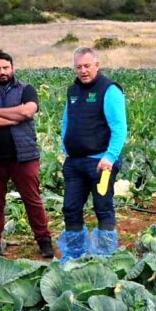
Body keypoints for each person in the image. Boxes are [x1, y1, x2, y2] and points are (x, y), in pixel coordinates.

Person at [0, 50, 53, 260]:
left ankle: (44, 240)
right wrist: (12, 116)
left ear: (12, 68)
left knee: (32, 199)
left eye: (5, 68)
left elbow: (28, 112)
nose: (2, 72)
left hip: (24, 156)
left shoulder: (27, 89)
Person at [57, 47, 127, 263]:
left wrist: (110, 156)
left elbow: (120, 128)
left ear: (97, 65)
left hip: (100, 163)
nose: (83, 71)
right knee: (70, 207)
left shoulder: (109, 90)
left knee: (102, 207)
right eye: (78, 67)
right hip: (75, 163)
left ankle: (105, 255)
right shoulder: (73, 91)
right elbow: (67, 121)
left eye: (87, 66)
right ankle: (75, 253)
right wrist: (64, 148)